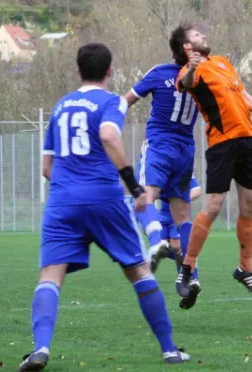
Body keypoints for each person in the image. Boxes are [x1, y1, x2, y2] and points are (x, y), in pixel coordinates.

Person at [17, 43, 190, 371]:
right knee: (139, 271)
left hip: (62, 202)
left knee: (50, 277)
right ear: (110, 71)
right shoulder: (110, 102)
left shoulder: (61, 105)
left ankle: (40, 348)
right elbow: (109, 135)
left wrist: (70, 188)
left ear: (78, 70)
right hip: (105, 198)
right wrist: (134, 186)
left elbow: (46, 168)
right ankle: (169, 350)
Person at [169, 23, 252, 299]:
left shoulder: (222, 62)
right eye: (196, 35)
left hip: (248, 140)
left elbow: (241, 93)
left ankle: (245, 268)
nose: (203, 36)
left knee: (250, 206)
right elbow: (186, 84)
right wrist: (193, 66)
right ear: (187, 46)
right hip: (221, 145)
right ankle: (188, 265)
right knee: (214, 206)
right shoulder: (189, 71)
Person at [123, 57, 201, 307]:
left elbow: (127, 100)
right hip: (185, 148)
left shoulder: (160, 72)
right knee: (184, 219)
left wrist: (107, 121)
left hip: (160, 146)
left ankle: (156, 243)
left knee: (143, 199)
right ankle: (192, 276)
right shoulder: (204, 75)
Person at [157, 175, 202, 309]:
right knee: (161, 249)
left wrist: (181, 198)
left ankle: (191, 278)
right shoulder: (153, 166)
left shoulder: (181, 167)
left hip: (177, 218)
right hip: (161, 218)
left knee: (178, 247)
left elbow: (197, 190)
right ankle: (187, 271)